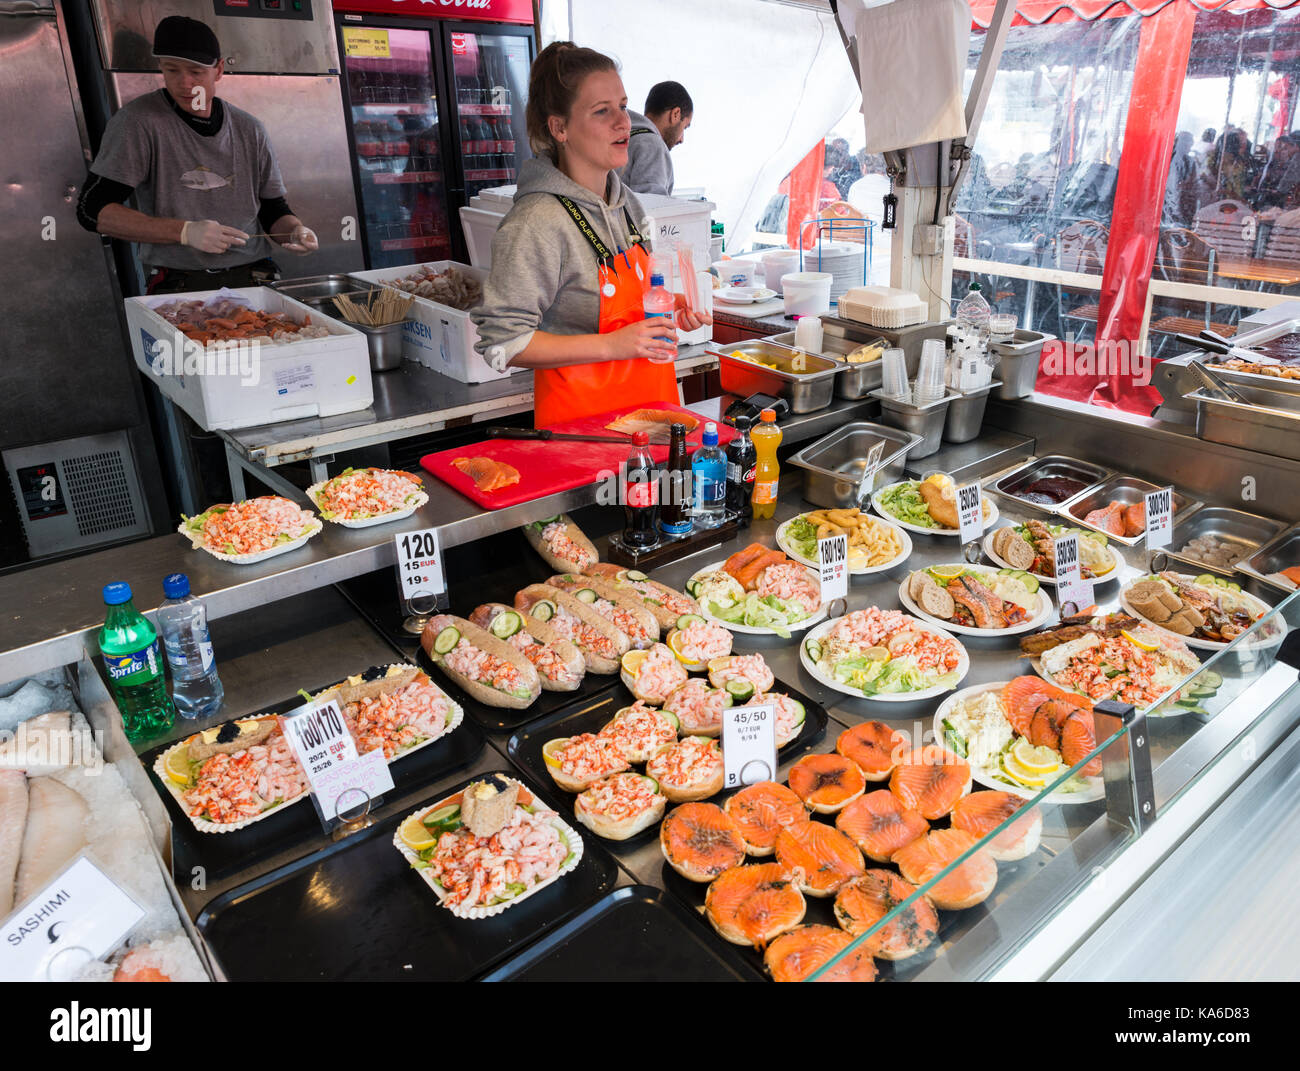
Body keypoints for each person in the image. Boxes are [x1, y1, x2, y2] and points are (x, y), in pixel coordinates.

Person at [472, 44, 709, 429]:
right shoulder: (536, 220)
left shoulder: (626, 202)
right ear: (559, 127)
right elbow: (504, 343)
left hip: (653, 420)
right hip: (583, 437)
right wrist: (612, 345)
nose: (624, 122)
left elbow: (632, 304)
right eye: (602, 111)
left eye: (623, 105)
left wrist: (671, 308)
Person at [76, 16, 317, 294]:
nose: (185, 83)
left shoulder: (249, 129)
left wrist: (296, 231)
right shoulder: (137, 123)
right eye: (172, 70)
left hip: (255, 277)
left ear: (219, 70)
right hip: (180, 285)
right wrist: (184, 232)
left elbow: (273, 210)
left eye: (196, 72)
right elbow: (91, 210)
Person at [617, 81, 693, 196]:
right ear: (676, 114)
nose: (682, 139)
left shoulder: (620, 139)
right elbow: (652, 209)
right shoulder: (653, 146)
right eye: (685, 127)